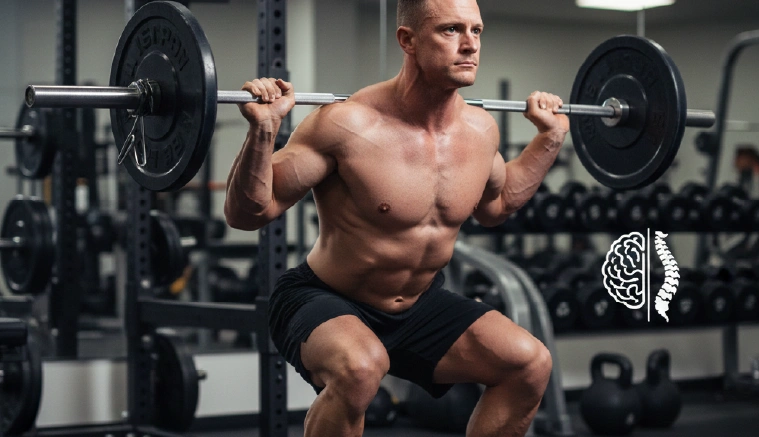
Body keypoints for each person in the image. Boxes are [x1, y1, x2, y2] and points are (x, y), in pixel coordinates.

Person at [224, 0, 569, 435]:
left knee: (528, 363)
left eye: (476, 31)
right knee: (361, 367)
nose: (469, 46)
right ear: (407, 40)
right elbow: (248, 213)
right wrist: (263, 132)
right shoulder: (346, 125)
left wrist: (550, 139)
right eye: (450, 31)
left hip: (418, 306)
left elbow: (497, 208)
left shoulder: (480, 132)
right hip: (323, 298)